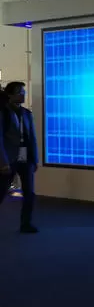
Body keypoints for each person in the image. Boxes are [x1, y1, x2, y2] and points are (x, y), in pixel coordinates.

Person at [0, 81, 39, 233]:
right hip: (9, 158)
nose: (23, 95)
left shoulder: (26, 113)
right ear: (10, 95)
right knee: (2, 191)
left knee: (29, 192)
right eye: (19, 92)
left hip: (25, 156)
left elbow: (32, 138)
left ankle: (26, 224)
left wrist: (34, 159)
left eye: (24, 92)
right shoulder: (3, 113)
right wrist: (3, 162)